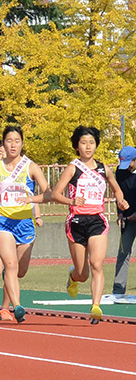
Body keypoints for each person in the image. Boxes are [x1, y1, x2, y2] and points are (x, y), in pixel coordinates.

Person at [49, 126, 128, 324]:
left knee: (97, 264)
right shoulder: (73, 167)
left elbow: (116, 189)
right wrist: (71, 201)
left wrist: (121, 201)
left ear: (96, 145)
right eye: (83, 143)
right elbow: (55, 194)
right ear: (77, 146)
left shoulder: (104, 168)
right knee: (83, 273)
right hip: (76, 221)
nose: (88, 146)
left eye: (91, 143)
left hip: (97, 220)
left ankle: (95, 306)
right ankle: (73, 277)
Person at [0, 126, 49, 323]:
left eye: (17, 141)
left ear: (22, 143)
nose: (13, 145)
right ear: (4, 143)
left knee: (20, 271)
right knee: (10, 265)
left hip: (25, 224)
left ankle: (9, 297)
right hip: (2, 222)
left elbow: (48, 192)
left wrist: (32, 199)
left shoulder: (31, 167)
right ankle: (16, 306)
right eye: (9, 141)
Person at [114, 146, 136, 296]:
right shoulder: (120, 172)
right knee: (123, 253)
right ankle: (118, 291)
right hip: (128, 219)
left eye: (129, 163)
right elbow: (119, 193)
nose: (126, 167)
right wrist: (120, 213)